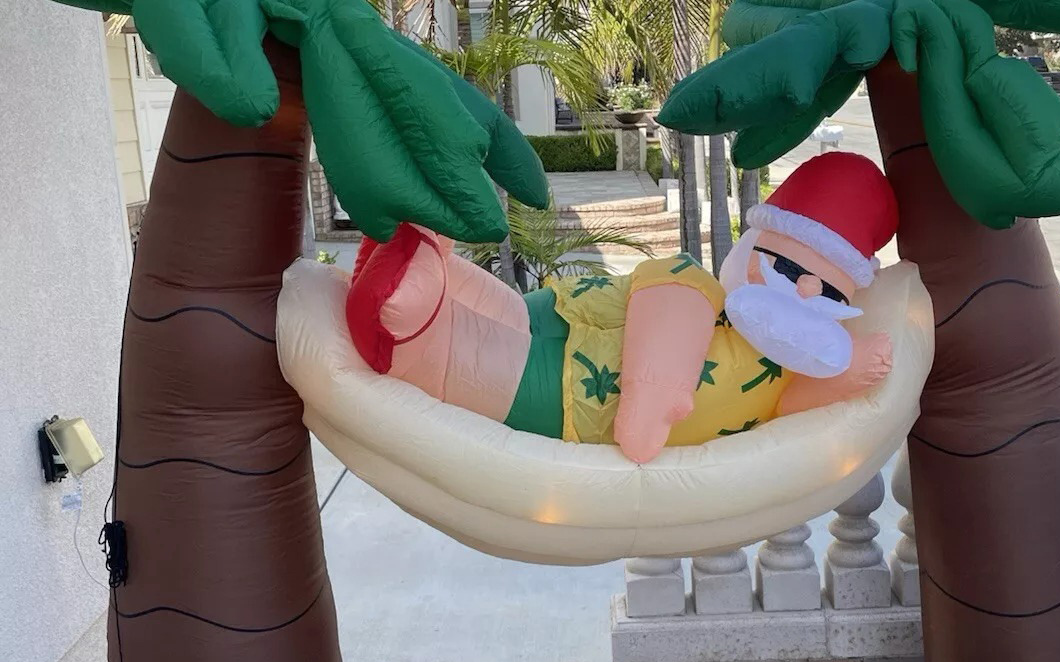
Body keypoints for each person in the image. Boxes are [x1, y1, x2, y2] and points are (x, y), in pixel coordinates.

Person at [345, 152, 898, 463]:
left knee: (466, 353)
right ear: (757, 250)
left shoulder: (786, 374)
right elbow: (669, 298)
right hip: (575, 333)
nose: (805, 292)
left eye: (828, 293)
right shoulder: (709, 294)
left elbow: (793, 406)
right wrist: (655, 397)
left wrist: (850, 370)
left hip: (577, 393)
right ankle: (415, 271)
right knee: (502, 324)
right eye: (790, 271)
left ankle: (402, 303)